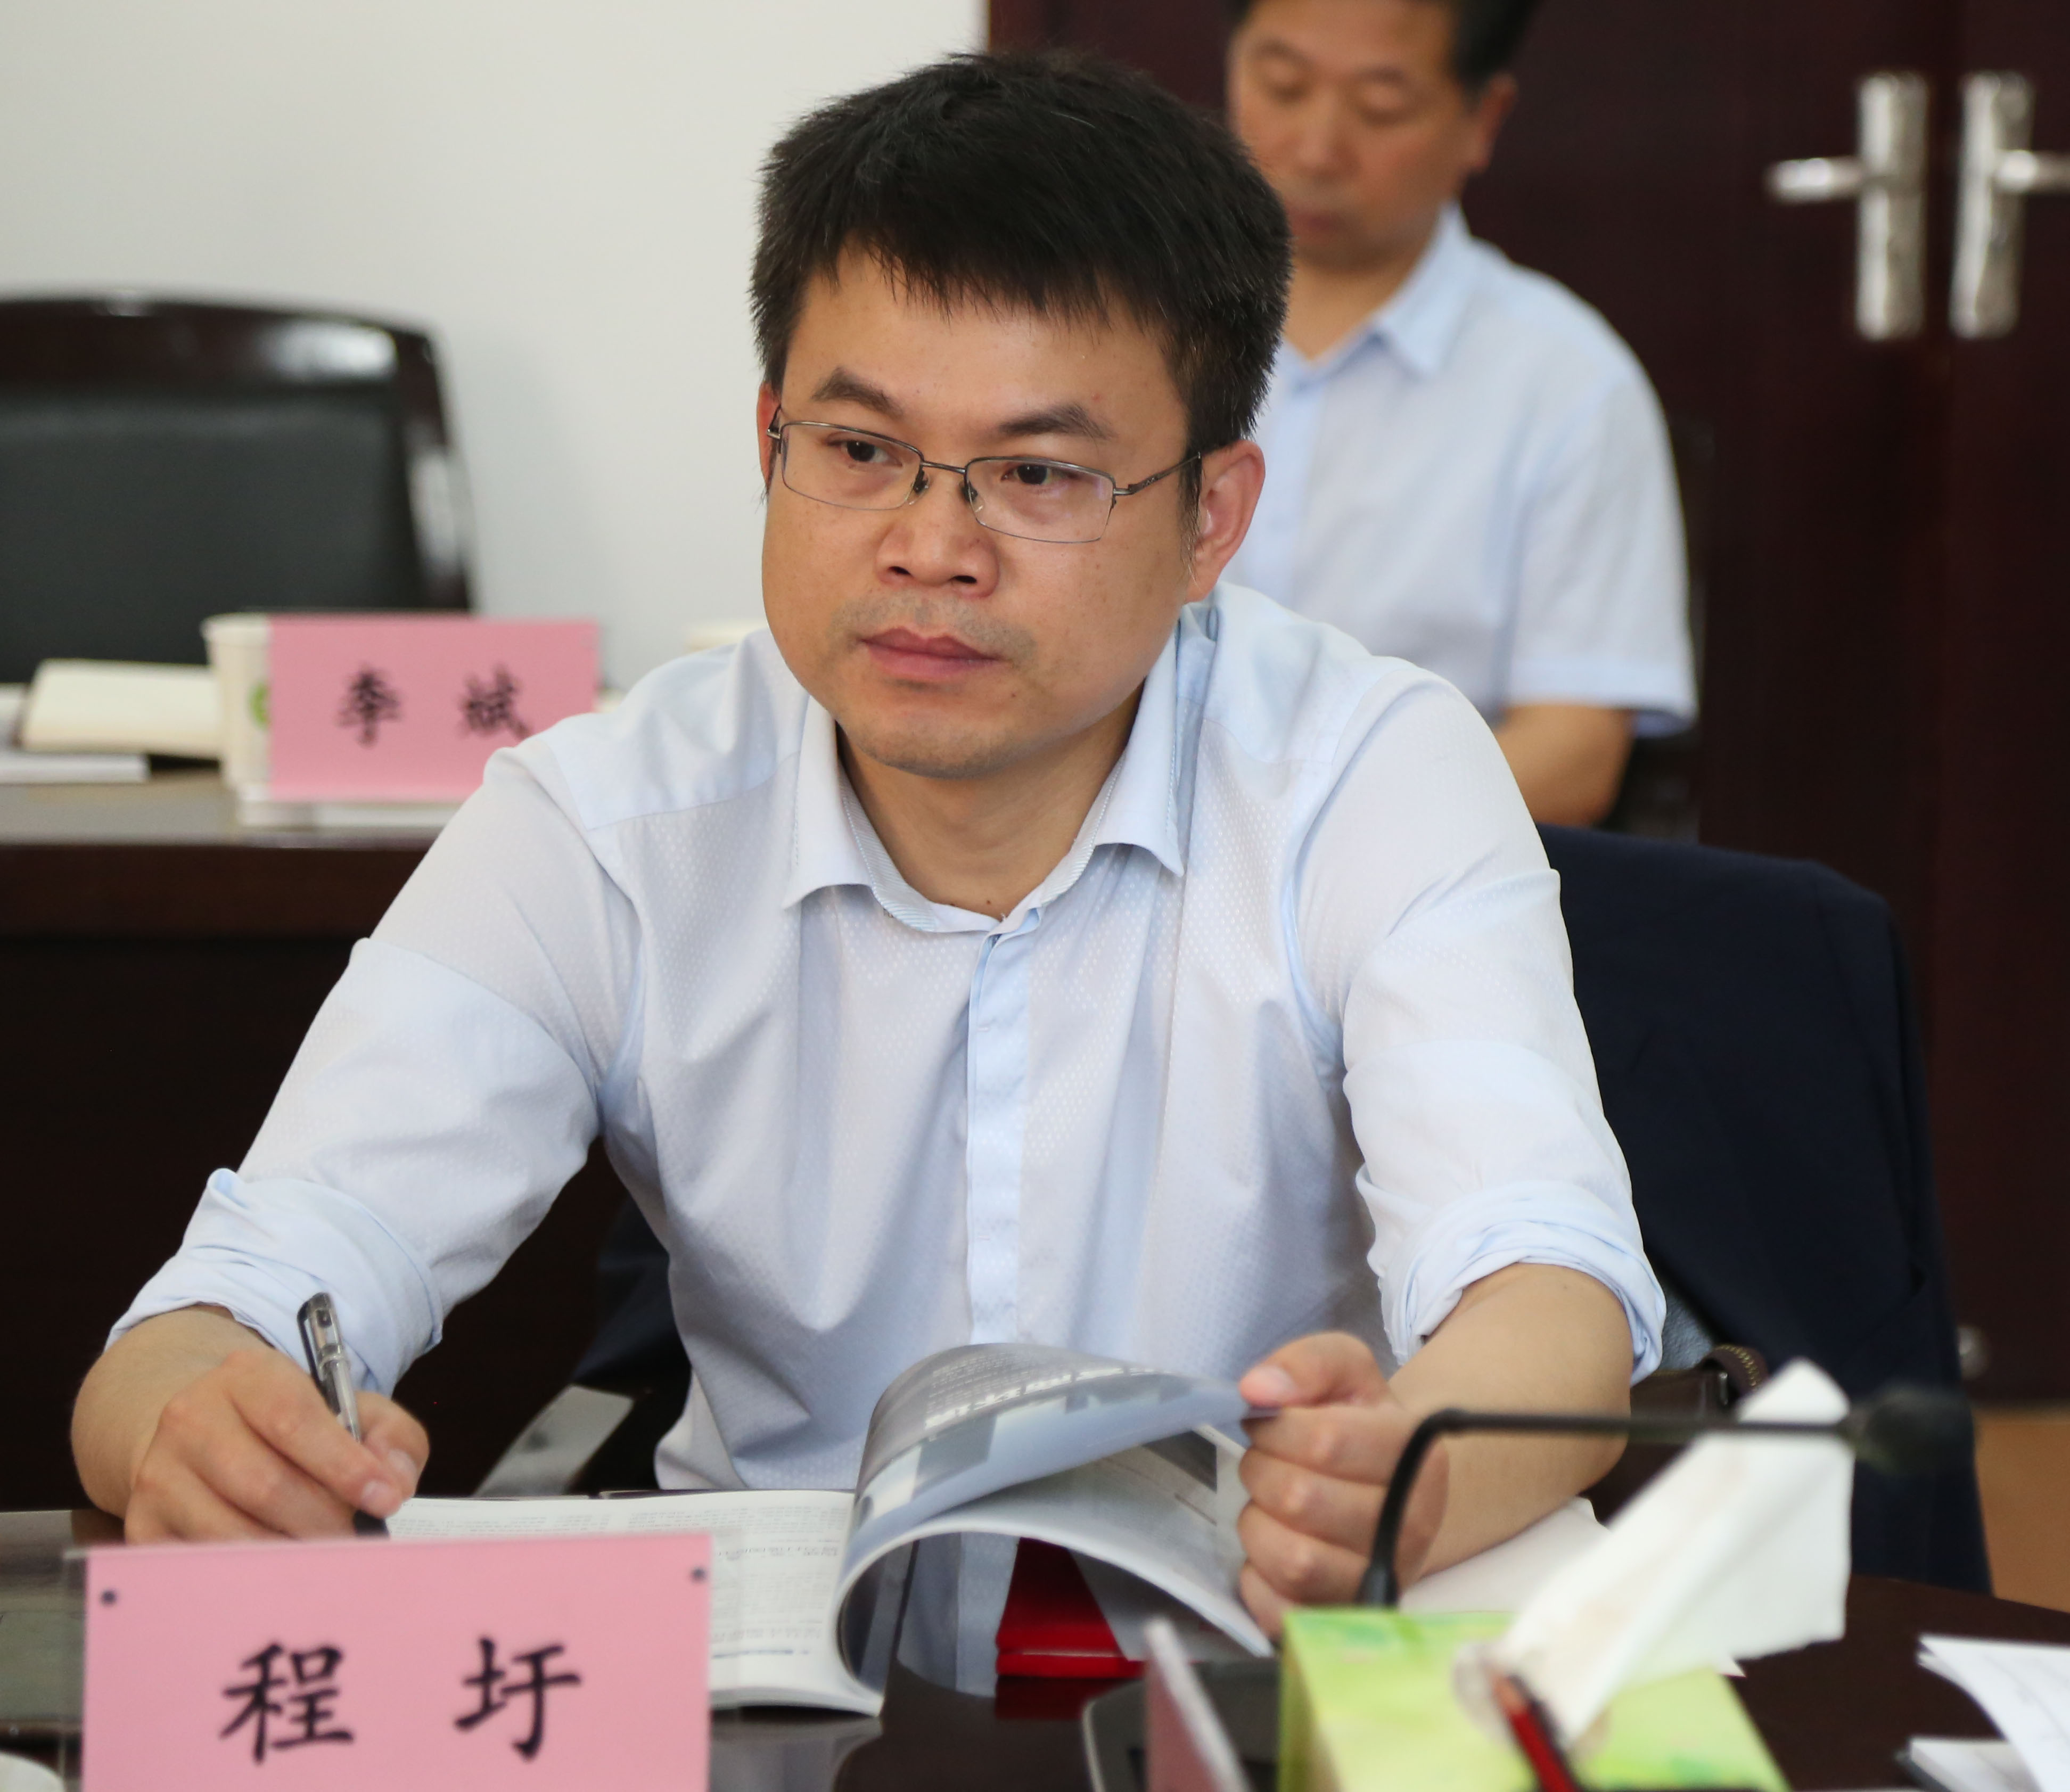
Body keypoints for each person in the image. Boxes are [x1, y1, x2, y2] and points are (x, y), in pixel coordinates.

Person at [72, 51, 1659, 1665]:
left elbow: (1548, 1287)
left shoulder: (1368, 775)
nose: (930, 545)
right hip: (770, 1696)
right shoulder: (606, 824)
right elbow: (231, 1301)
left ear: (1211, 519)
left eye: (1039, 474)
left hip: (1234, 1680)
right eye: (858, 449)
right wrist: (198, 1426)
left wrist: (1409, 1470)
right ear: (770, 436)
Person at [1223, 0, 1695, 825]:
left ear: (1484, 119)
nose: (1317, 147)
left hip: (1405, 864)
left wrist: (1297, 834)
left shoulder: (1568, 384)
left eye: (1381, 107)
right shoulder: (1120, 327)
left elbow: (1576, 753)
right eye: (1282, 85)